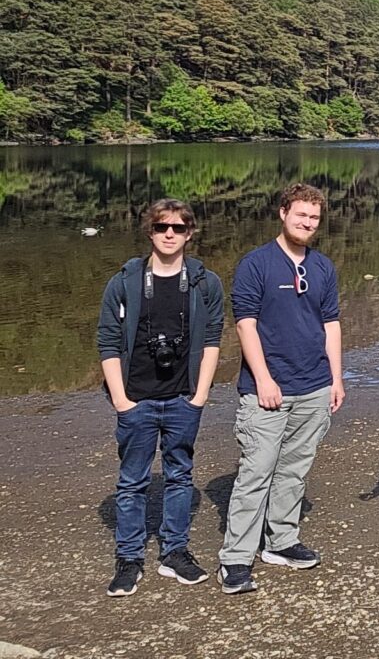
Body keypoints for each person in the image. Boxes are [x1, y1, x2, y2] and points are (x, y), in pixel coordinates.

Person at [218, 183, 345, 594]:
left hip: (314, 386)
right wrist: (263, 378)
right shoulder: (256, 264)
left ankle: (281, 541)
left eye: (314, 218)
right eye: (301, 214)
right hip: (267, 390)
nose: (307, 223)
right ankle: (235, 559)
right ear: (283, 213)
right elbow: (245, 325)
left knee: (294, 470)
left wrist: (336, 378)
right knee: (256, 471)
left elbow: (331, 324)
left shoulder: (322, 267)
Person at [97, 198, 224, 597]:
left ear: (190, 233)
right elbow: (108, 341)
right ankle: (129, 558)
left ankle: (175, 552)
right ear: (149, 231)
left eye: (178, 228)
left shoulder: (205, 282)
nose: (169, 234)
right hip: (136, 398)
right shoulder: (124, 282)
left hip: (183, 397)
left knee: (179, 475)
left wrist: (200, 395)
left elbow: (213, 339)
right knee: (132, 481)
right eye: (161, 227)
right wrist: (121, 400)